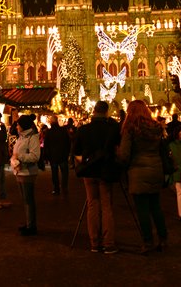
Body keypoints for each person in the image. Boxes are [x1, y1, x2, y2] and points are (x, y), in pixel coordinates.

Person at [118, 100, 168, 254]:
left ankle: (147, 242)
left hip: (138, 172)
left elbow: (125, 155)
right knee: (156, 207)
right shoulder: (156, 127)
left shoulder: (131, 128)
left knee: (142, 210)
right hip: (156, 169)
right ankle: (163, 238)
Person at [74, 101, 121, 254]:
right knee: (106, 206)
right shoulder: (113, 129)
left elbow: (75, 151)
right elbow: (118, 149)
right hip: (106, 170)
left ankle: (94, 242)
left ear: (93, 111)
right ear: (107, 112)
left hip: (89, 172)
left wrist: (86, 160)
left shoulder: (84, 129)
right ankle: (108, 243)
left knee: (92, 204)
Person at [11, 114, 40, 236]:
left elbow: (35, 156)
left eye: (18, 124)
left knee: (28, 200)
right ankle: (29, 223)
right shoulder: (21, 137)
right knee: (25, 199)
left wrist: (19, 157)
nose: (17, 126)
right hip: (19, 171)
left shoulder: (32, 137)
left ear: (23, 125)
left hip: (28, 172)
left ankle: (31, 226)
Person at [44, 115, 71, 195]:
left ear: (51, 122)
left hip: (53, 156)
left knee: (54, 173)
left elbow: (46, 144)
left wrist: (46, 155)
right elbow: (68, 143)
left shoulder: (49, 132)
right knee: (65, 173)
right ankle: (64, 188)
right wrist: (67, 152)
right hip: (63, 155)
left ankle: (56, 189)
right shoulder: (63, 130)